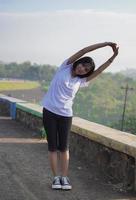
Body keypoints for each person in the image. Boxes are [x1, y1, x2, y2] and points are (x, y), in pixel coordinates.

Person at [42, 42, 119, 190]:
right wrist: (106, 44)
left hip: (65, 115)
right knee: (52, 147)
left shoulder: (81, 80)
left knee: (63, 148)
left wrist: (113, 56)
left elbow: (100, 70)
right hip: (49, 112)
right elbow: (84, 50)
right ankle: (55, 178)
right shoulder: (65, 66)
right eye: (83, 65)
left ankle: (64, 177)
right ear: (79, 62)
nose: (82, 69)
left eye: (86, 69)